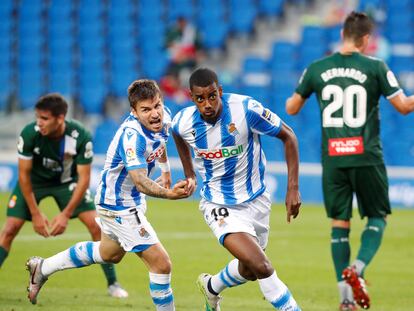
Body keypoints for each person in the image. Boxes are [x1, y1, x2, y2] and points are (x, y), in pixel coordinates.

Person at [285, 11, 414, 311]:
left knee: (339, 224)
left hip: (333, 159)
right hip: (366, 155)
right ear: (366, 39)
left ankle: (345, 301)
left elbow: (291, 107)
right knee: (378, 217)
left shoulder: (317, 68)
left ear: (343, 34)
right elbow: (404, 107)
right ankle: (357, 269)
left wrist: (310, 89)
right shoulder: (376, 67)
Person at [25, 80, 192, 309]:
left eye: (157, 106)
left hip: (125, 200)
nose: (155, 114)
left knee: (109, 254)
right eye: (146, 109)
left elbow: (163, 140)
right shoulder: (132, 136)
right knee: (161, 264)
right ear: (133, 111)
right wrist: (169, 193)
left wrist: (165, 172)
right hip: (118, 205)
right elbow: (140, 180)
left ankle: (42, 268)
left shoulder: (163, 116)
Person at [172, 68, 302, 311]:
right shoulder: (183, 122)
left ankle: (211, 287)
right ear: (192, 98)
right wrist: (189, 173)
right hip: (218, 204)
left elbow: (289, 137)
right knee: (262, 266)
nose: (207, 104)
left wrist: (292, 188)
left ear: (220, 91)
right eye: (200, 99)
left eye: (212, 96)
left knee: (250, 271)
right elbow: (177, 135)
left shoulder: (246, 110)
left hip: (257, 200)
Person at [0, 93, 128, 298]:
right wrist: (35, 214)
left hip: (66, 183)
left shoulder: (79, 135)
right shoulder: (29, 134)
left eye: (44, 118)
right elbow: (23, 176)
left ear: (60, 118)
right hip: (34, 182)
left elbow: (84, 178)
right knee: (9, 229)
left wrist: (65, 215)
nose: (39, 123)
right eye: (38, 117)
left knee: (96, 225)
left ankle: (113, 284)